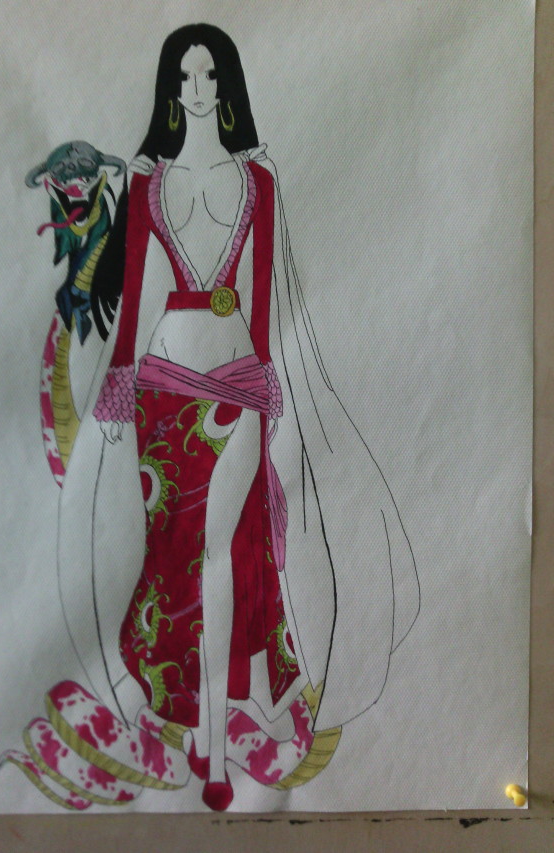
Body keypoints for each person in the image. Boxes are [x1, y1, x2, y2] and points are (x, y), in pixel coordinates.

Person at [58, 23, 420, 812]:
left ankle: (216, 744)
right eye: (184, 76)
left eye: (209, 74)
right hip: (162, 395)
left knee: (223, 549)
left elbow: (258, 297)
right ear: (170, 89)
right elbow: (140, 294)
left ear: (225, 86)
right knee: (174, 557)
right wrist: (118, 384)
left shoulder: (259, 180)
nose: (196, 89)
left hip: (237, 387)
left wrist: (264, 385)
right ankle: (194, 721)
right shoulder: (148, 184)